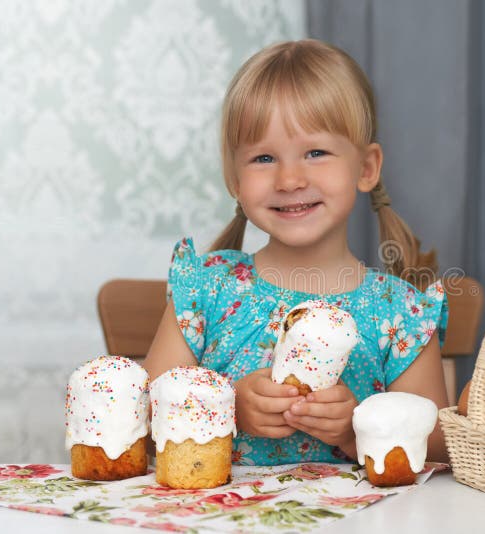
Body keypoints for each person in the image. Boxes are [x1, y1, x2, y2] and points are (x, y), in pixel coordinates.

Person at [143, 39, 449, 466]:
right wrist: (228, 411)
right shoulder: (206, 291)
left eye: (316, 152)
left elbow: (439, 447)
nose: (289, 179)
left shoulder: (400, 315)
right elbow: (143, 418)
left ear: (366, 168)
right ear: (235, 179)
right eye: (264, 157)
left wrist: (355, 431)